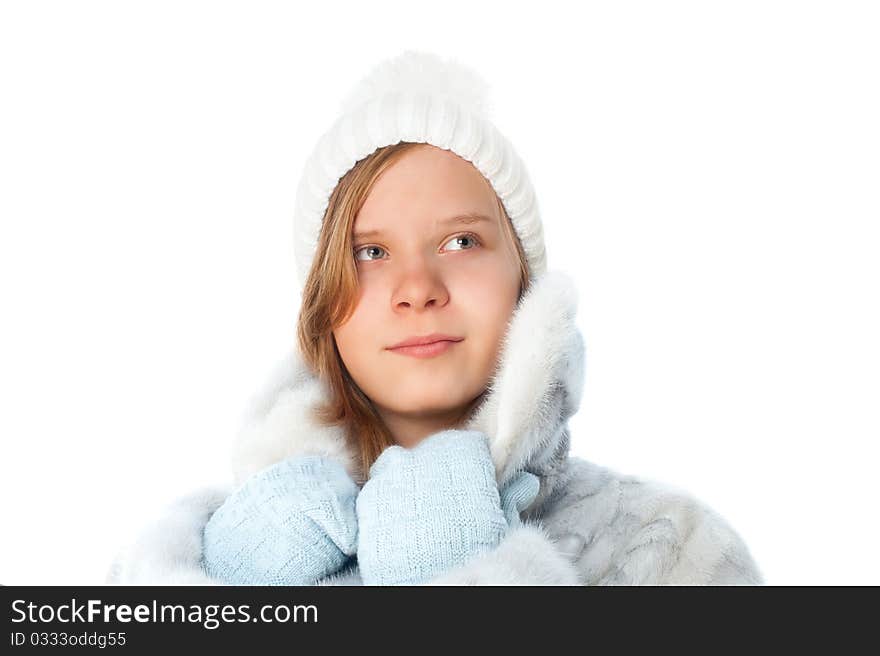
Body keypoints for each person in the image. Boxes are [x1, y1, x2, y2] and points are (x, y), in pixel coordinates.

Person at [106, 50, 764, 586]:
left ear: (523, 284)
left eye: (461, 242)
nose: (416, 289)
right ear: (323, 305)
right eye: (370, 252)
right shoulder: (197, 559)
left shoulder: (673, 552)